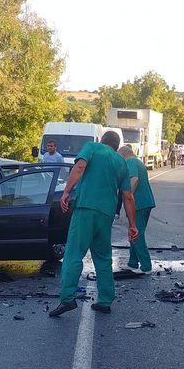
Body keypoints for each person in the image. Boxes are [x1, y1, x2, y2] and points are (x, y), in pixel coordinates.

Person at [49, 131, 138, 317]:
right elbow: (128, 196)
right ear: (116, 146)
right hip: (106, 215)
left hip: (86, 209)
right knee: (103, 257)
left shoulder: (92, 147)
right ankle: (105, 300)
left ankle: (68, 298)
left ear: (102, 140)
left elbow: (80, 167)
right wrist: (132, 225)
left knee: (74, 253)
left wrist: (66, 192)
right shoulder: (121, 162)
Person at [118, 145, 155, 274]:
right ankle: (133, 263)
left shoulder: (130, 162)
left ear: (123, 155)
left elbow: (134, 179)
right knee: (134, 232)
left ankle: (146, 266)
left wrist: (128, 196)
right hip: (144, 202)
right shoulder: (137, 162)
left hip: (139, 203)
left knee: (137, 234)